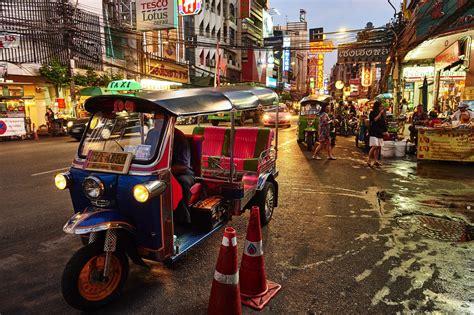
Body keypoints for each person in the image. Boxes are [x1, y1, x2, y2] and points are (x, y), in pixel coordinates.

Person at [172, 128, 195, 226]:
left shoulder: (179, 137)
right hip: (159, 170)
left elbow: (183, 165)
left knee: (181, 182)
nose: (156, 121)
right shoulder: (152, 134)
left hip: (183, 173)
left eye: (160, 119)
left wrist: (165, 171)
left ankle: (184, 219)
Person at [367, 101, 387, 167]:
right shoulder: (372, 113)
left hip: (379, 131)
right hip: (373, 131)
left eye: (382, 106)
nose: (381, 107)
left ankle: (376, 160)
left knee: (378, 147)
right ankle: (369, 160)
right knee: (374, 146)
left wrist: (386, 131)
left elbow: (383, 123)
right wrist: (380, 114)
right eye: (380, 106)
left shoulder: (382, 114)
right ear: (377, 107)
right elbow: (374, 120)